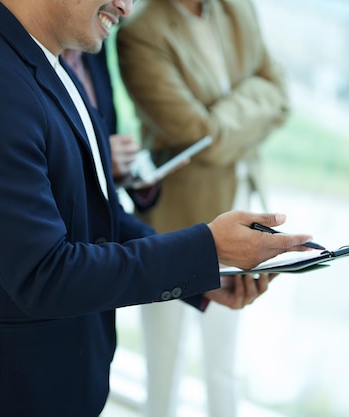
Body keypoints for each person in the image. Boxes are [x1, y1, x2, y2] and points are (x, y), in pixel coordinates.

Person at [0, 1, 313, 417]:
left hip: (66, 375)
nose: (126, 4)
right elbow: (44, 275)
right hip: (11, 389)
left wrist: (204, 277)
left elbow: (98, 217)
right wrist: (207, 248)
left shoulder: (51, 64)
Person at [116, 0, 291, 415]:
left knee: (225, 360)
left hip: (240, 204)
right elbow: (201, 136)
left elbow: (281, 95)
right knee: (165, 365)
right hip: (171, 225)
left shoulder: (237, 8)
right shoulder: (140, 31)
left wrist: (223, 124)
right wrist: (251, 108)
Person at [61, 45, 160, 212]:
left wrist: (129, 172)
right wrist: (99, 162)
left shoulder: (95, 51)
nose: (125, 16)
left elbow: (107, 135)